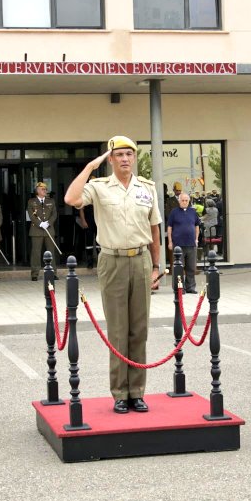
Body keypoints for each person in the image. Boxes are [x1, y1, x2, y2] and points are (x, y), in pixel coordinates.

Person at [65, 136, 161, 414]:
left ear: (135, 157)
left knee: (139, 330)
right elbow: (72, 198)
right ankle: (120, 392)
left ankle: (137, 392)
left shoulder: (147, 188)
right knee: (118, 330)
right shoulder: (98, 187)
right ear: (110, 159)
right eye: (118, 154)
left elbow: (154, 228)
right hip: (113, 260)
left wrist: (156, 266)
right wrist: (89, 168)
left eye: (129, 154)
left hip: (141, 260)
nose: (125, 159)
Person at [166, 193, 201, 294]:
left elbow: (197, 226)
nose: (184, 202)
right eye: (183, 200)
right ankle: (179, 288)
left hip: (191, 243)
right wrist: (170, 241)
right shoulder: (174, 212)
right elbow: (169, 228)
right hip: (178, 245)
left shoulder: (192, 212)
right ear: (179, 201)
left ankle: (190, 287)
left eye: (186, 200)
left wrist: (196, 239)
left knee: (191, 267)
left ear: (188, 201)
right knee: (178, 268)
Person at [28, 181, 57, 281]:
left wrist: (48, 223)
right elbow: (31, 215)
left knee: (51, 252)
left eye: (45, 189)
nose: (45, 190)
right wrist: (40, 223)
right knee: (36, 253)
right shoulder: (32, 202)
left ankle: (53, 273)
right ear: (37, 190)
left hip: (49, 229)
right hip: (36, 230)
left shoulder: (51, 201)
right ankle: (35, 274)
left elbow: (54, 214)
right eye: (42, 189)